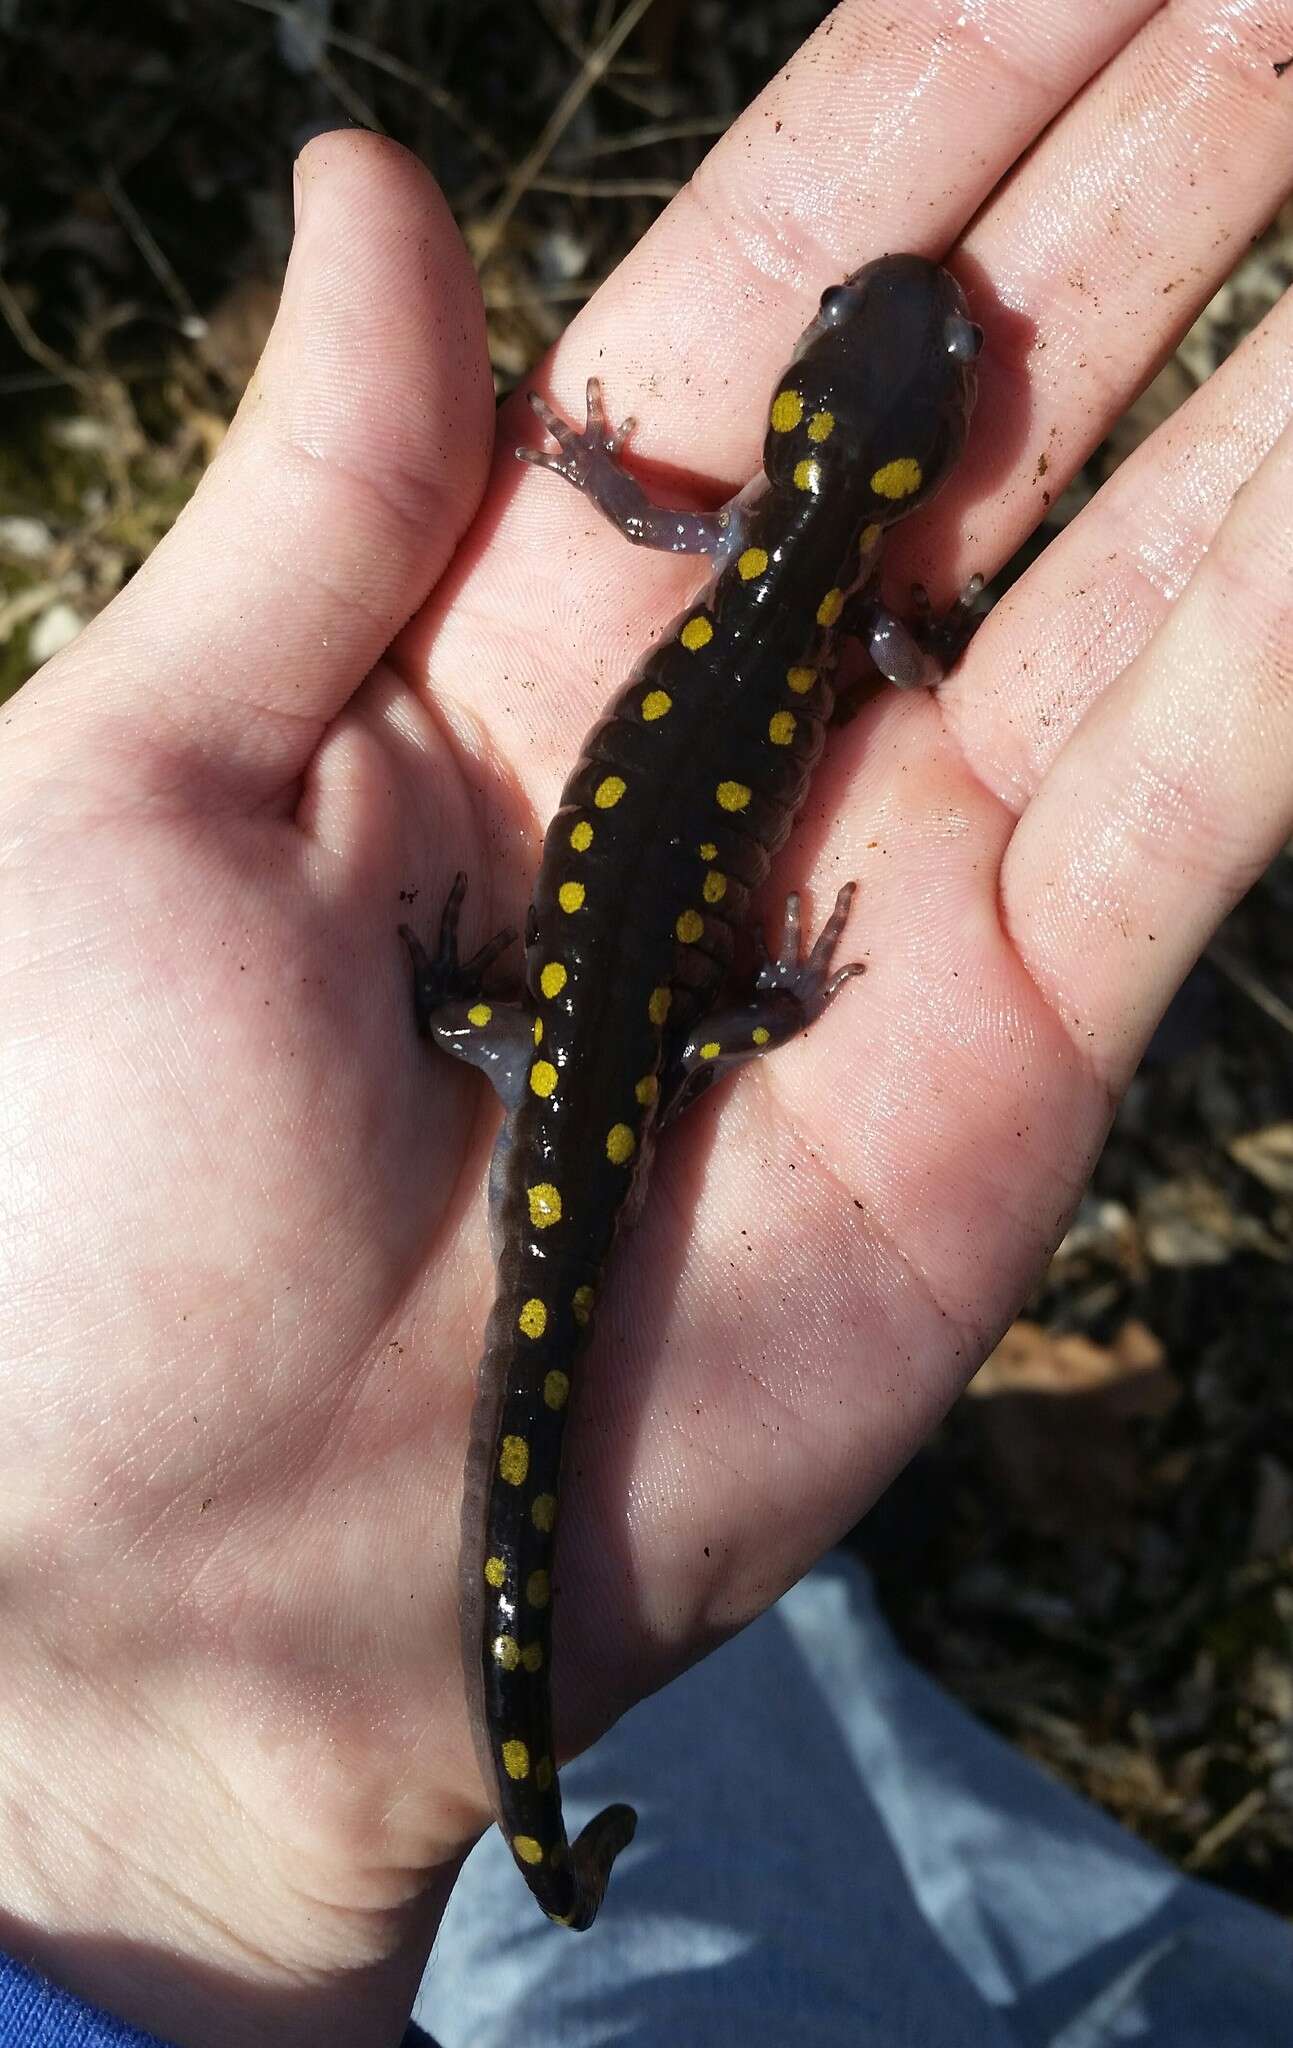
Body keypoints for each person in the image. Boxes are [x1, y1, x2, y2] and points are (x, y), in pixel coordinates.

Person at [2, 3, 1291, 2040]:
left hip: (564, 1033)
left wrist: (588, 469)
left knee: (571, 1317)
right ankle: (696, 1738)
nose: (942, 348)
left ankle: (720, 1723)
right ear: (857, 452)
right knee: (562, 1311)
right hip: (555, 1041)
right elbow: (885, 645)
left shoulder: (758, 536)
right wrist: (714, 998)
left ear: (807, 432)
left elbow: (682, 538)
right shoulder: (846, 596)